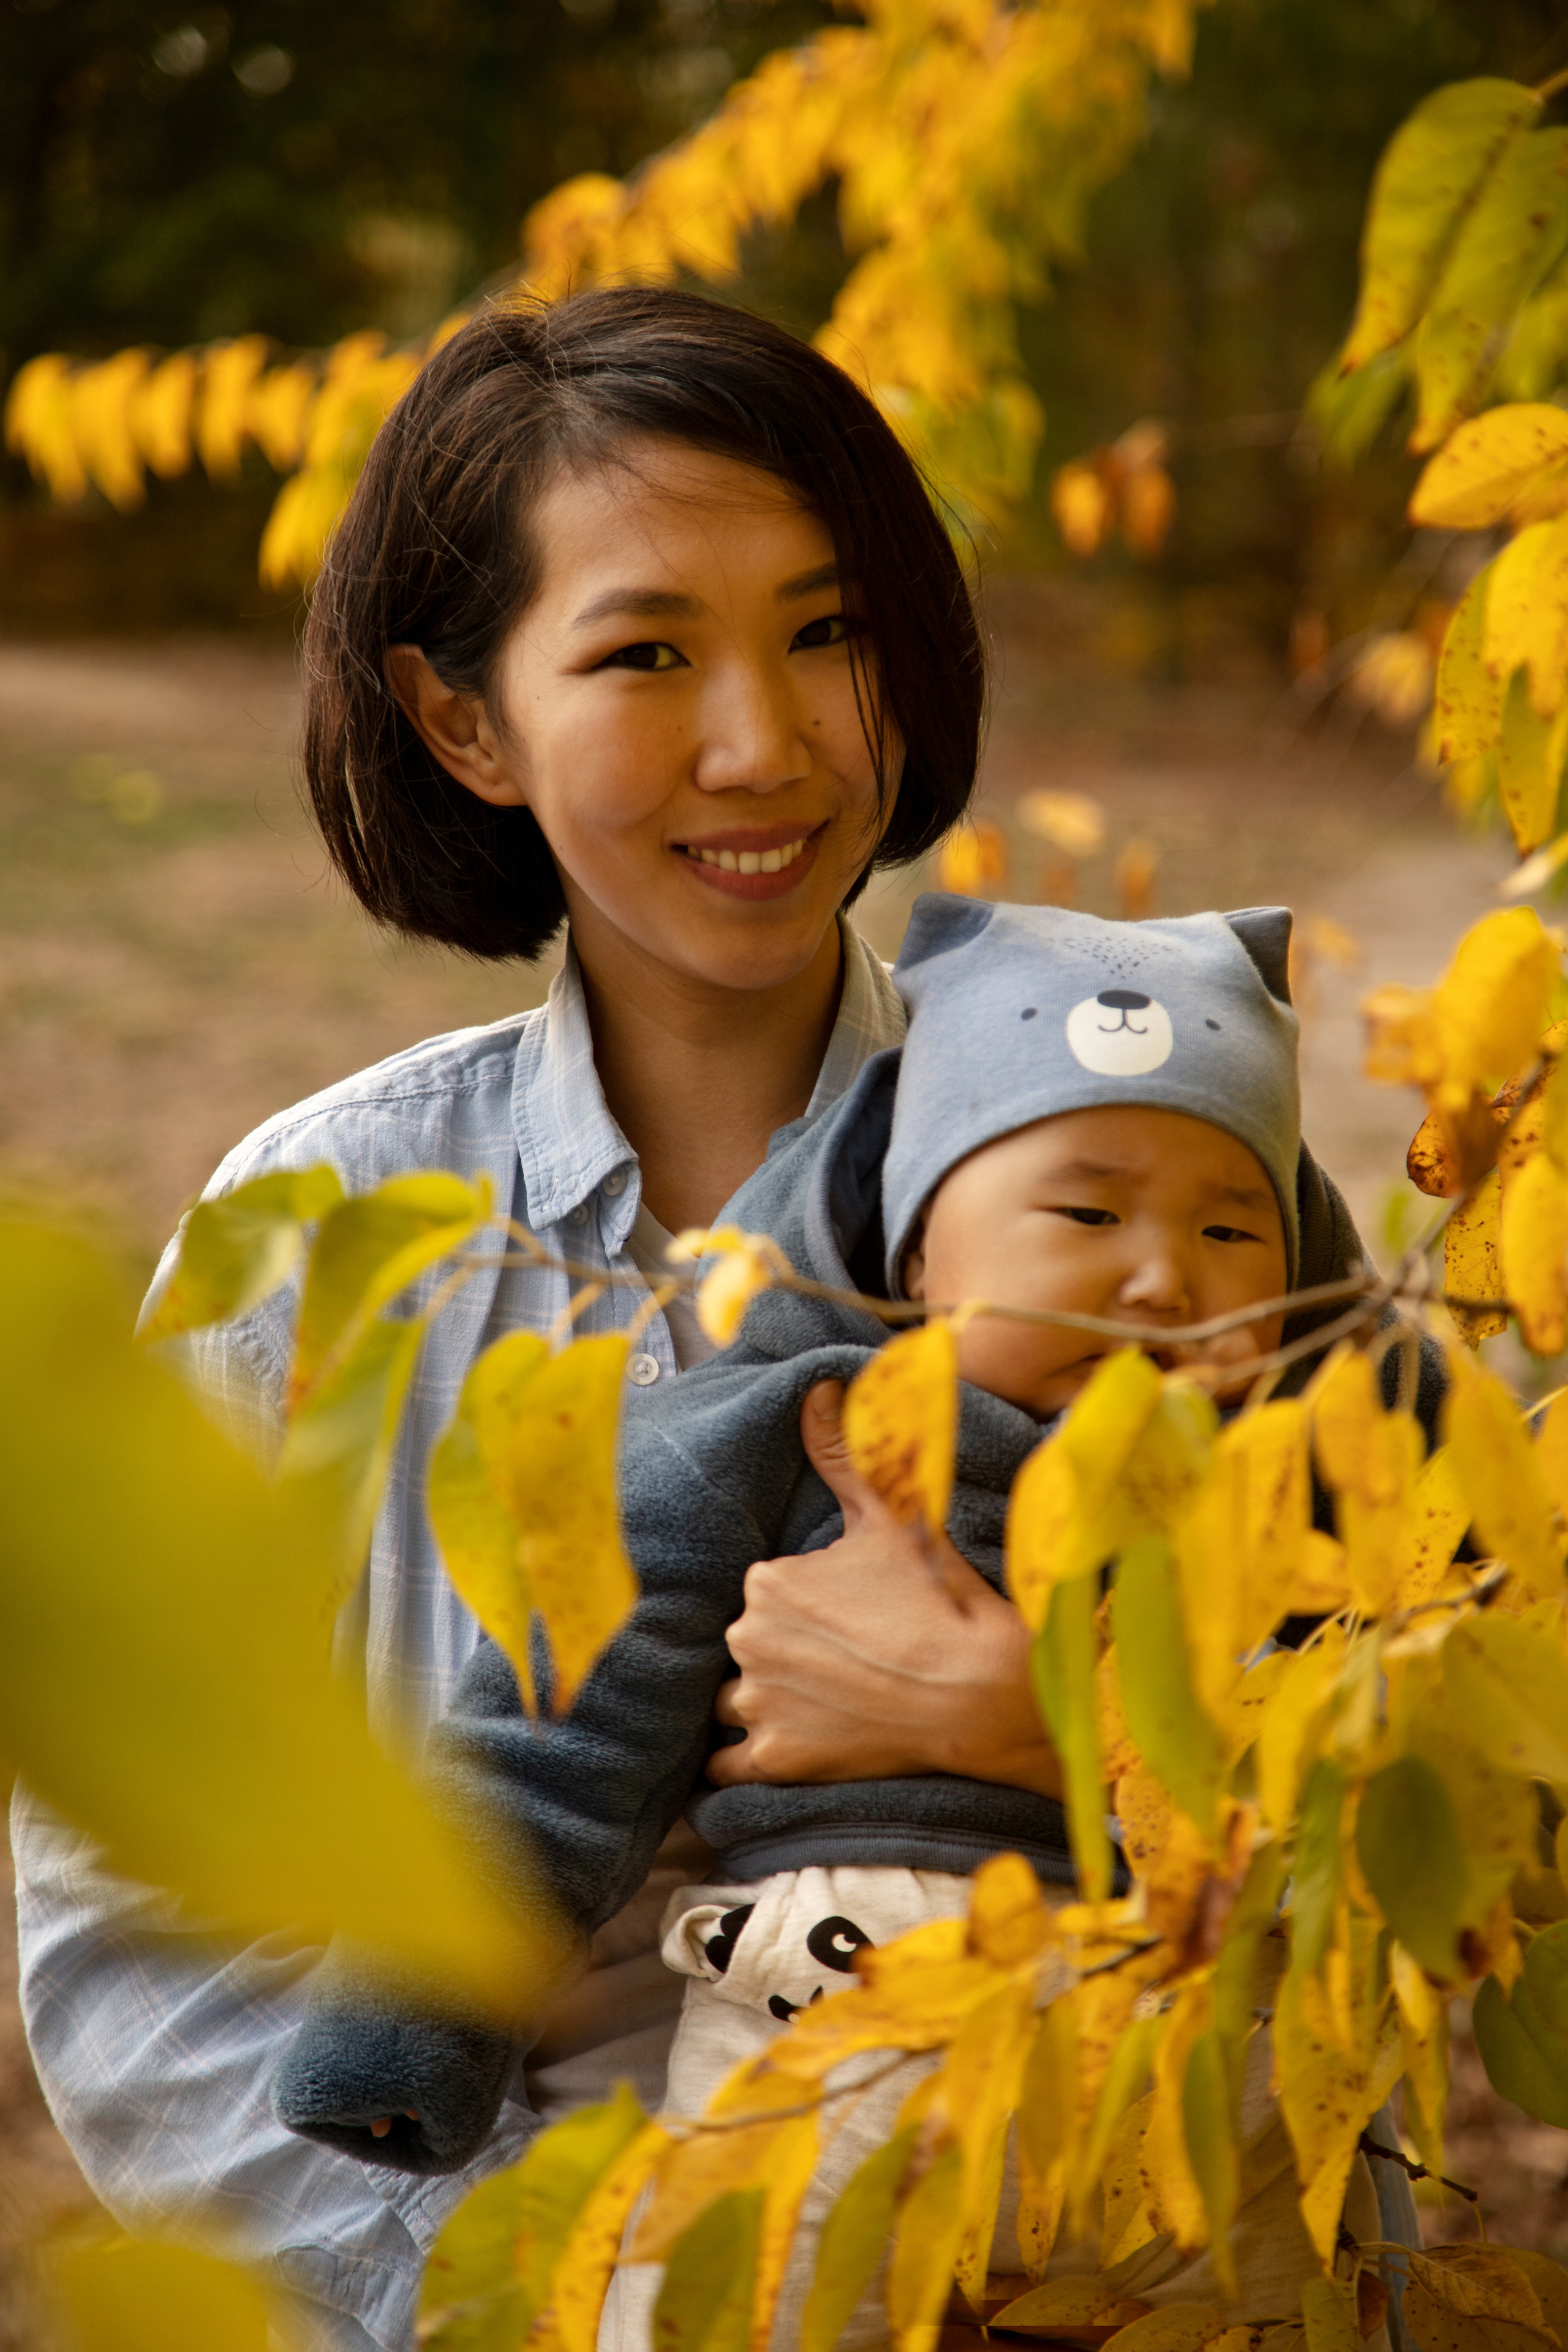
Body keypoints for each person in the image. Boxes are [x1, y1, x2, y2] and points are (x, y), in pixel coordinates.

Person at [9, 285, 1067, 2352]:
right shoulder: (311, 1243)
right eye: (647, 651)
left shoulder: (1121, 1188)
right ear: (462, 718)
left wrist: (1041, 1738)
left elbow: (1361, 1818)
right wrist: (536, 2314)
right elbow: (136, 1939)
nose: (764, 742)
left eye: (829, 629)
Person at [267, 897, 1438, 2348]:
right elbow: (556, 1737)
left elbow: (1436, 1725)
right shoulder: (797, 1429)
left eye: (1227, 1227)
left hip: (1207, 2072)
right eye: (1083, 1213)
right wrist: (408, 2029)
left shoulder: (1309, 1474)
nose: (1161, 1278)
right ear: (918, 1256)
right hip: (848, 2034)